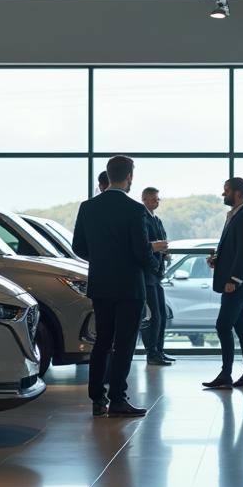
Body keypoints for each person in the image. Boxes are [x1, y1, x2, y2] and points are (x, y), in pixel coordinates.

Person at [73, 156, 167, 418]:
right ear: (129, 178)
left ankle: (96, 399)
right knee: (124, 343)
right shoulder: (134, 210)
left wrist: (102, 259)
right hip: (129, 285)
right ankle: (118, 399)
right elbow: (141, 251)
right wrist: (155, 266)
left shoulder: (87, 207)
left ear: (109, 174)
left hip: (101, 283)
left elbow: (77, 247)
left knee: (102, 341)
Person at [203, 177, 243, 390]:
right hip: (240, 283)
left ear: (237, 193)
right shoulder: (237, 215)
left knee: (223, 325)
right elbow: (234, 250)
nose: (223, 194)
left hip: (239, 284)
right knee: (241, 327)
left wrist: (234, 280)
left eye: (226, 190)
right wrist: (217, 260)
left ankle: (226, 374)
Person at [140, 186, 173, 366]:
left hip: (157, 274)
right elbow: (144, 244)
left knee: (162, 313)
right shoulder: (143, 219)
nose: (156, 202)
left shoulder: (157, 220)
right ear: (144, 199)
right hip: (148, 275)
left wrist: (165, 253)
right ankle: (152, 352)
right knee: (154, 316)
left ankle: (158, 350)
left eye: (158, 199)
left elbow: (162, 241)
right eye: (153, 199)